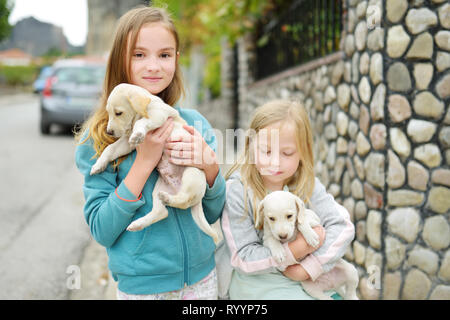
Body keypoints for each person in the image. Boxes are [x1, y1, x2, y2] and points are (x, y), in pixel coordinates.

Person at [74, 6, 225, 300]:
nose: (154, 66)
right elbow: (102, 230)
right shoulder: (98, 140)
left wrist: (209, 167)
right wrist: (144, 162)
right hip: (142, 290)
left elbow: (212, 211)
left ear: (176, 60)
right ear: (120, 60)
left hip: (202, 280)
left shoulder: (194, 124)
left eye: (165, 55)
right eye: (139, 54)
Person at [215, 99, 355, 299]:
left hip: (308, 277)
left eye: (287, 153)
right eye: (266, 151)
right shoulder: (238, 191)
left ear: (303, 151)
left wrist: (308, 267)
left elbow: (342, 227)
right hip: (256, 281)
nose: (275, 161)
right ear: (250, 145)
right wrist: (296, 250)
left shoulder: (307, 184)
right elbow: (243, 257)